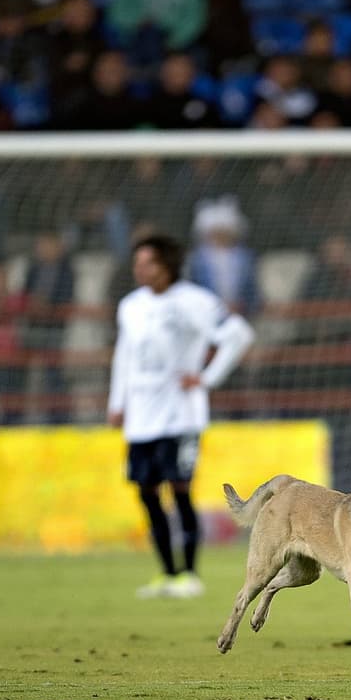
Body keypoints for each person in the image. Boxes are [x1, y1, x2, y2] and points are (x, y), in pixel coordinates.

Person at [108, 234, 255, 599]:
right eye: (137, 262)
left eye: (147, 262)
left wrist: (206, 378)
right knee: (146, 493)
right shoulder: (130, 305)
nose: (138, 269)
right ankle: (166, 573)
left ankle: (189, 574)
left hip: (180, 416)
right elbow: (124, 355)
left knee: (180, 489)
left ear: (167, 266)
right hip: (141, 417)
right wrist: (118, 401)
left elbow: (238, 335)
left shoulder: (195, 301)